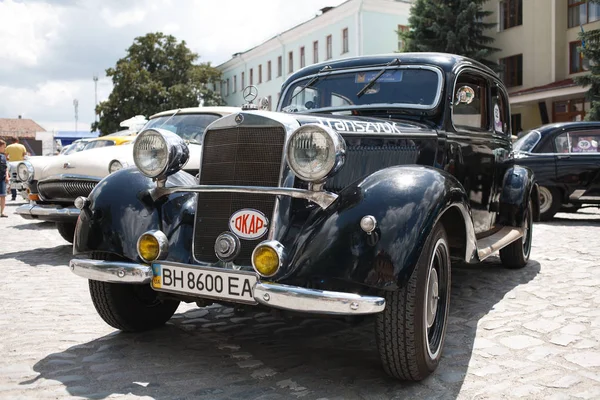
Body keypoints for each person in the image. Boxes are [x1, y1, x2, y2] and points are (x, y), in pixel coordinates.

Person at [5, 137, 27, 201]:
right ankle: (24, 196)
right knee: (22, 179)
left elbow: (6, 156)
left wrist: (9, 159)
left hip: (12, 164)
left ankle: (13, 196)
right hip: (20, 164)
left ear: (11, 141)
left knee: (13, 180)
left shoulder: (9, 147)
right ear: (17, 140)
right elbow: (24, 155)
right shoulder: (22, 146)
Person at [0, 139, 9, 217]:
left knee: (3, 195)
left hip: (2, 179)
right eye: (3, 147)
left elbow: (6, 167)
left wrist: (7, 176)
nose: (5, 149)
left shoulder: (3, 156)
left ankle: (2, 212)